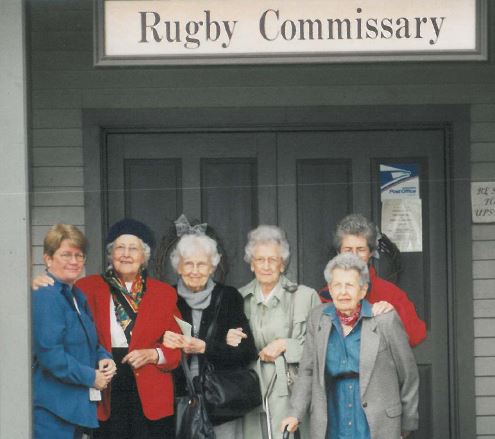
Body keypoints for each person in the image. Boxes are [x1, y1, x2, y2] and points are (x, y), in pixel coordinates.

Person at [33, 218, 181, 439]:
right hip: (107, 382)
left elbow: (176, 346)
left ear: (144, 257)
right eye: (119, 247)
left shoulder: (164, 294)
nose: (125, 254)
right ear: (111, 254)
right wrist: (37, 281)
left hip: (151, 387)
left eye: (133, 248)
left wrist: (154, 354)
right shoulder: (86, 287)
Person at [281, 253, 419, 439]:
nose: (343, 292)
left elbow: (408, 374)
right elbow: (307, 371)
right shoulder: (318, 318)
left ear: (362, 291)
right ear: (330, 289)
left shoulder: (385, 319)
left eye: (349, 285)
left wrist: (408, 423)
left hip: (376, 420)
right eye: (337, 285)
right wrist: (295, 412)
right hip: (331, 415)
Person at [163, 217, 257, 439]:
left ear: (212, 267)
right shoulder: (166, 298)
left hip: (219, 402)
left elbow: (246, 352)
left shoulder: (228, 298)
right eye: (188, 263)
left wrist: (206, 347)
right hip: (177, 402)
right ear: (178, 267)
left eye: (202, 264)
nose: (195, 270)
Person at [33, 224, 116, 439]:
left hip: (76, 410)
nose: (74, 261)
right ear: (48, 259)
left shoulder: (76, 295)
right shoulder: (46, 296)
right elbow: (51, 356)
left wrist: (104, 358)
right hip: (54, 413)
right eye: (66, 254)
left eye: (79, 255)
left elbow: (92, 342)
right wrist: (91, 377)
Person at [239, 225, 320, 439]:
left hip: (291, 391)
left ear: (282, 265)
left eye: (273, 260)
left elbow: (320, 348)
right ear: (251, 264)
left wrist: (286, 345)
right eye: (260, 259)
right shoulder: (237, 299)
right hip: (251, 391)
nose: (266, 266)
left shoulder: (305, 296)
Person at [319, 214, 427, 347]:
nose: (354, 255)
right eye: (348, 250)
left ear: (370, 253)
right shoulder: (326, 296)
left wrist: (393, 315)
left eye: (360, 250)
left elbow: (416, 336)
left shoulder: (391, 293)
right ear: (338, 252)